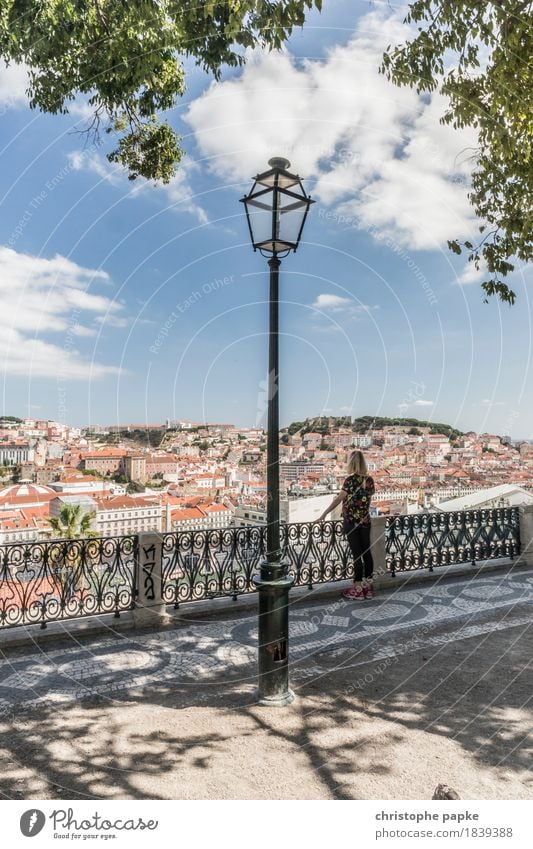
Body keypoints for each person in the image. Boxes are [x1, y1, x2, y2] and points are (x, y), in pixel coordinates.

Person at [317, 449, 375, 600]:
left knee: (357, 555)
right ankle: (367, 589)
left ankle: (357, 589)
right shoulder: (369, 480)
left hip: (351, 522)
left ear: (351, 463)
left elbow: (338, 500)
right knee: (367, 553)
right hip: (366, 521)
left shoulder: (350, 480)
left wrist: (323, 514)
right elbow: (368, 497)